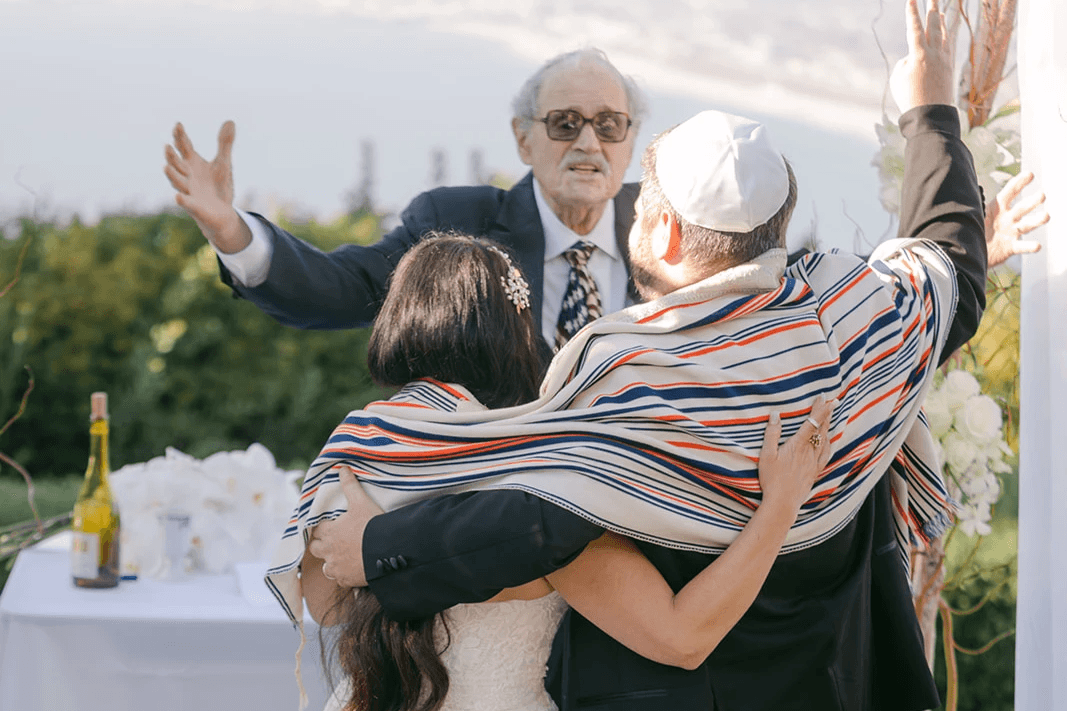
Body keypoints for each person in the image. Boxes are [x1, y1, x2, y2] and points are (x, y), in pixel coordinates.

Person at [306, 1, 991, 709]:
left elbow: (539, 519)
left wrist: (383, 548)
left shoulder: (633, 371)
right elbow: (952, 267)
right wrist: (931, 110)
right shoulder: (852, 318)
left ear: (660, 231)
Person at [274, 232, 833, 711]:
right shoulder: (542, 470)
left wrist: (388, 559)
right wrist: (780, 507)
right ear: (517, 336)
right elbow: (681, 637)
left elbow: (324, 605)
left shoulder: (356, 447)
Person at [163, 48, 646, 347]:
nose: (588, 143)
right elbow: (342, 289)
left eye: (608, 125)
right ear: (523, 139)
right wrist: (231, 231)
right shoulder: (456, 225)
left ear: (630, 138)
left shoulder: (668, 229)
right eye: (565, 123)